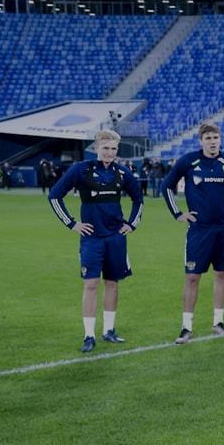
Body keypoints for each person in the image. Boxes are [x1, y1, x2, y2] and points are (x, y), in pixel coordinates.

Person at [47, 130, 144, 352]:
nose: (110, 152)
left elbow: (138, 199)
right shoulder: (80, 170)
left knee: (112, 283)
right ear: (96, 148)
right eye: (106, 148)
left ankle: (109, 330)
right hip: (91, 238)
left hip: (116, 238)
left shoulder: (123, 172)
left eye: (113, 149)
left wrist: (132, 224)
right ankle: (89, 335)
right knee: (91, 284)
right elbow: (54, 196)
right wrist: (72, 224)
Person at [162, 123, 224, 344]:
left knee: (221, 275)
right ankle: (186, 327)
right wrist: (178, 213)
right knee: (192, 277)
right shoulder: (188, 161)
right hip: (199, 230)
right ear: (201, 141)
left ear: (220, 139)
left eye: (215, 137)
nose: (212, 141)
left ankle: (218, 322)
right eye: (208, 138)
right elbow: (166, 186)